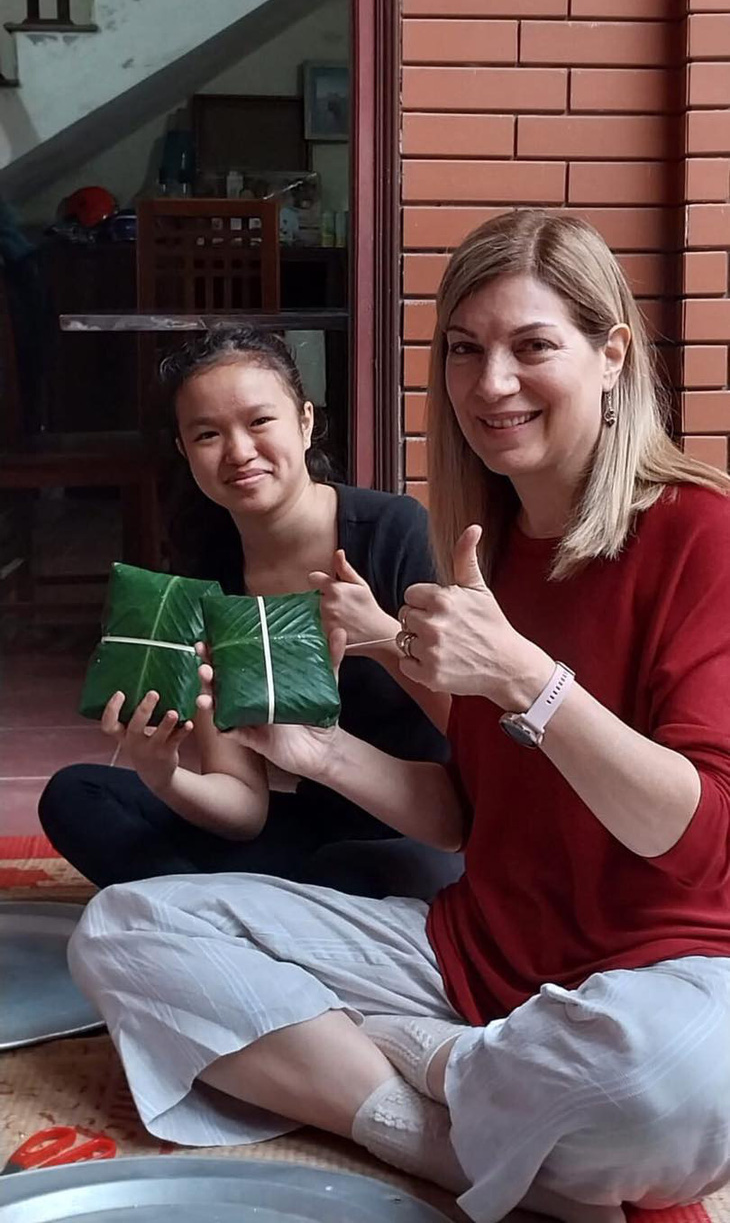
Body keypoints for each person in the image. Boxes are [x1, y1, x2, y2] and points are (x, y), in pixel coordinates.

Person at [68, 211, 730, 1223]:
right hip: (472, 952)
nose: (491, 383)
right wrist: (315, 748)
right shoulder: (491, 543)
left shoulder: (699, 534)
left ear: (611, 355)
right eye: (464, 350)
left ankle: (423, 1073)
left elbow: (693, 840)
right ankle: (457, 1131)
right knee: (124, 929)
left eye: (531, 346)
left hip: (653, 973)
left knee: (677, 1085)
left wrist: (525, 679)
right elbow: (468, 813)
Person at [39, 327, 458, 900]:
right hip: (309, 828)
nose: (238, 452)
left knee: (347, 871)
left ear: (305, 423)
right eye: (208, 434)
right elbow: (244, 808)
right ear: (185, 451)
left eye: (260, 421)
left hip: (422, 830)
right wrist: (164, 774)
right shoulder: (212, 572)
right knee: (76, 796)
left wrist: (384, 638)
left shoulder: (393, 532)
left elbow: (476, 726)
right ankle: (241, 911)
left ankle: (211, 909)